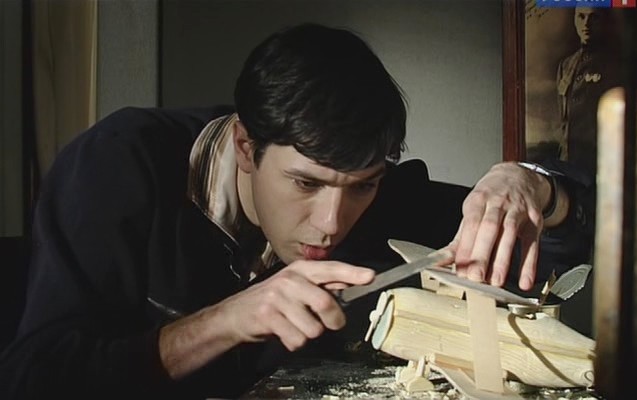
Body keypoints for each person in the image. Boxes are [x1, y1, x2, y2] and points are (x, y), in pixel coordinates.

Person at [0, 23, 592, 399]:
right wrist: (225, 321)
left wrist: (532, 185)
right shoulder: (117, 165)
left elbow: (568, 245)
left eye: (362, 187)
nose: (333, 222)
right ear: (245, 146)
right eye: (305, 183)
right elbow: (34, 379)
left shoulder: (376, 195)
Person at [557, 6, 621, 177]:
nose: (586, 24)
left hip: (600, 165)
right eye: (581, 17)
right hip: (569, 164)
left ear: (603, 21)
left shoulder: (616, 64)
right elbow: (564, 121)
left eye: (594, 17)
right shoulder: (566, 65)